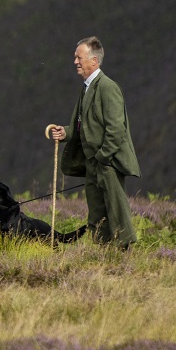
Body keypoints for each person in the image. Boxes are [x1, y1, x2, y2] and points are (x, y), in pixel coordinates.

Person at [48, 37, 140, 250]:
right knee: (97, 211)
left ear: (94, 60)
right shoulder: (88, 88)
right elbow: (87, 125)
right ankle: (103, 255)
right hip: (94, 162)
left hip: (106, 162)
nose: (75, 62)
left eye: (79, 57)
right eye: (75, 58)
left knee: (116, 209)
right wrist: (67, 132)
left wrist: (103, 158)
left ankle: (124, 256)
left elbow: (116, 129)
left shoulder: (108, 87)